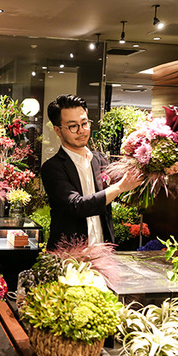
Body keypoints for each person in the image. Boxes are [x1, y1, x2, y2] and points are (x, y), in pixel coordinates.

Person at [40, 94, 142, 250]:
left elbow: (124, 190)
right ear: (57, 130)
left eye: (84, 123)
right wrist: (120, 187)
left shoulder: (99, 159)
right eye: (73, 126)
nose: (81, 131)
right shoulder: (52, 167)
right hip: (69, 256)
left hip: (103, 251)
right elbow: (77, 206)